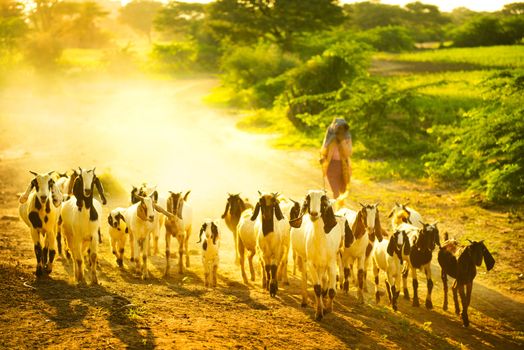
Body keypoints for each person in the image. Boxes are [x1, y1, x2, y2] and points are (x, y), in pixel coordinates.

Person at [320, 118, 352, 199]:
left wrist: (342, 141)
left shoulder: (347, 138)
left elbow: (349, 153)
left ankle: (338, 206)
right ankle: (334, 208)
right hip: (331, 166)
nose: (341, 131)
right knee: (335, 191)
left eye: (342, 128)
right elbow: (324, 150)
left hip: (343, 167)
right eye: (339, 128)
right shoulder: (330, 138)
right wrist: (323, 158)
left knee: (343, 190)